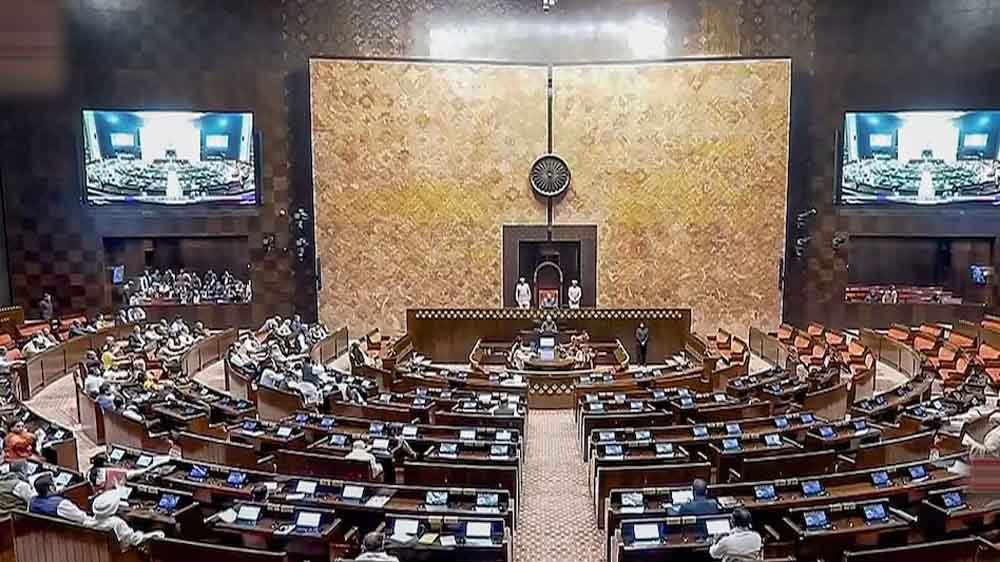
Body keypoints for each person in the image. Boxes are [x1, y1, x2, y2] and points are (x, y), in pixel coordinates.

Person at [90, 488, 165, 548]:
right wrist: (153, 534)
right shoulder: (116, 523)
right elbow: (134, 540)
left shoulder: (89, 522)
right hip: (124, 556)